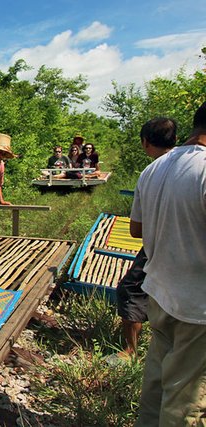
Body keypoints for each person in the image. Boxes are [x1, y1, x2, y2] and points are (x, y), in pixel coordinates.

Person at [131, 104, 206, 426]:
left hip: (160, 292)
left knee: (158, 383)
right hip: (196, 305)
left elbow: (137, 229)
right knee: (185, 400)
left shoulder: (154, 168)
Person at [109, 117, 177, 364]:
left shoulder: (151, 172)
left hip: (160, 245)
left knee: (130, 290)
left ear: (145, 142)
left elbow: (136, 230)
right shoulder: (197, 163)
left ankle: (131, 350)